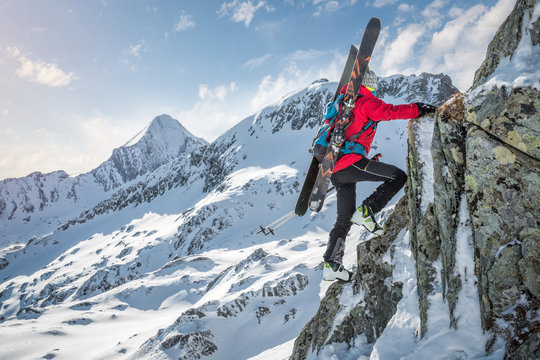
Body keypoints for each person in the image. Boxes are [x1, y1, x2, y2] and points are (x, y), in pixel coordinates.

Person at [322, 70, 437, 282]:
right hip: (350, 163)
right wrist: (418, 109)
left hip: (336, 170)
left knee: (343, 219)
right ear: (370, 85)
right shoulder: (365, 101)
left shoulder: (343, 104)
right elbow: (390, 111)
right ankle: (368, 210)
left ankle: (332, 264)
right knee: (398, 177)